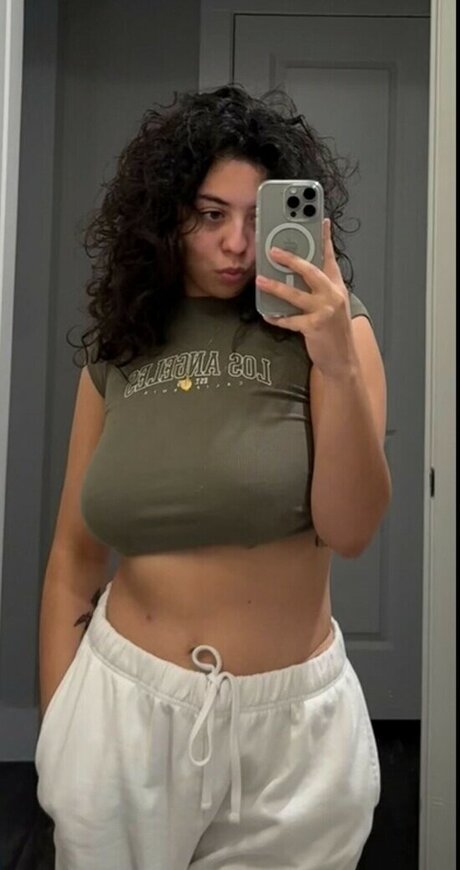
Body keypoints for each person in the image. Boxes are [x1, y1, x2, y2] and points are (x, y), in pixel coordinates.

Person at [35, 84, 392, 869]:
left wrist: (335, 356)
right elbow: (74, 557)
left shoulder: (333, 330)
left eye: (259, 217)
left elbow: (353, 529)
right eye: (209, 215)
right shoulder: (123, 344)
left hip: (292, 735)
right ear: (167, 218)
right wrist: (60, 732)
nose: (236, 243)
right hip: (121, 714)